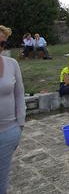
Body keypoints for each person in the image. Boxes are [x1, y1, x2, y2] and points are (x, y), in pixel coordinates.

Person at [0, 26, 26, 194]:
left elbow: (19, 94)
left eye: (1, 43)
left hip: (8, 131)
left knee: (2, 180)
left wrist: (20, 125)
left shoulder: (12, 64)